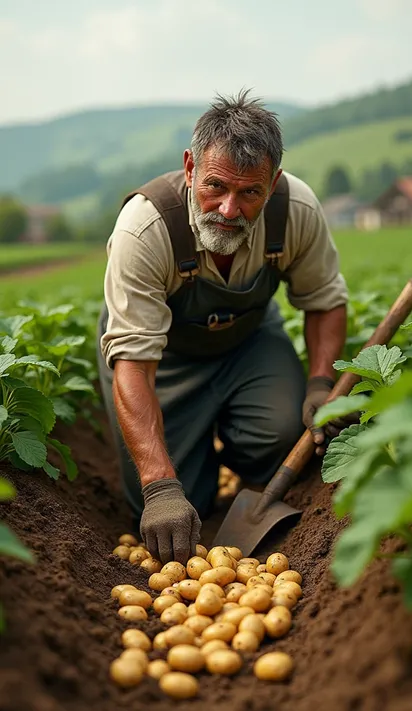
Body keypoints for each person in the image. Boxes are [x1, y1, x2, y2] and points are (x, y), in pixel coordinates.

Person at [96, 90, 349, 565]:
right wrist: (160, 487)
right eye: (215, 187)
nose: (229, 210)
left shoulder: (297, 211)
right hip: (160, 360)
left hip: (247, 344)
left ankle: (241, 458)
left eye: (250, 192)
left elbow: (325, 301)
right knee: (166, 504)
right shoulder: (145, 229)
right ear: (190, 168)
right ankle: (194, 467)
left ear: (271, 184)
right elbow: (133, 363)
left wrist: (320, 382)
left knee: (282, 434)